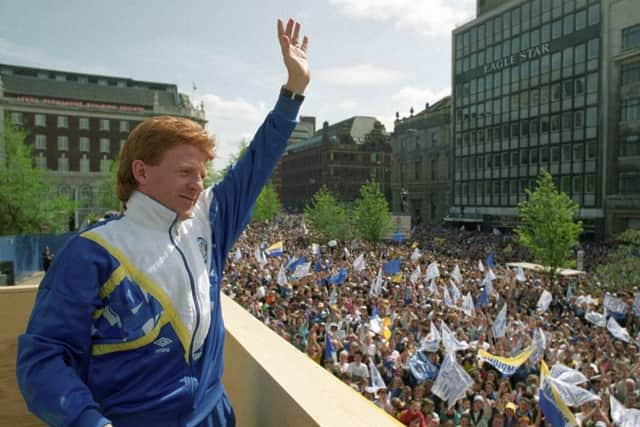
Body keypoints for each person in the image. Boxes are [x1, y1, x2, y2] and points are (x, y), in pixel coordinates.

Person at [16, 17, 310, 427]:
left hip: (213, 416)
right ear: (142, 171)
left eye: (202, 173)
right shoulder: (92, 252)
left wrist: (293, 92)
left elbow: (255, 164)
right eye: (185, 172)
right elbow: (42, 357)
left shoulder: (208, 220)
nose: (198, 184)